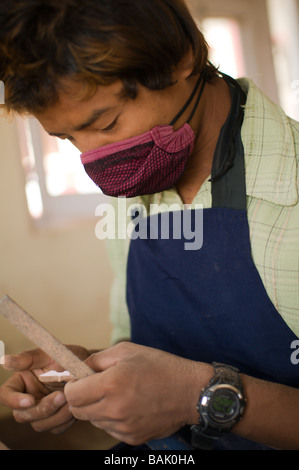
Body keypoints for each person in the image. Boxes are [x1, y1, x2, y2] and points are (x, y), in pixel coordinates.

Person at [0, 0, 299, 451]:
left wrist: (198, 396)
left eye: (105, 122)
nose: (92, 159)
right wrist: (86, 374)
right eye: (67, 139)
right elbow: (137, 342)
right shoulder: (137, 191)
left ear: (180, 58)